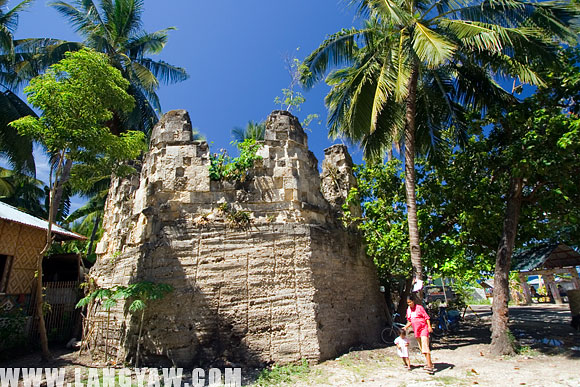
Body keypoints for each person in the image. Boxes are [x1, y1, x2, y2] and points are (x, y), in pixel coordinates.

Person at [403, 295, 434, 374]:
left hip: (423, 328)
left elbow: (426, 317)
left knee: (425, 346)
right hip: (417, 331)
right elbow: (410, 320)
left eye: (410, 302)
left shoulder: (419, 308)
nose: (409, 304)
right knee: (421, 347)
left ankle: (430, 366)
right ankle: (428, 362)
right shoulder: (409, 310)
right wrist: (405, 327)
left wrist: (429, 326)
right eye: (408, 303)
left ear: (413, 301)